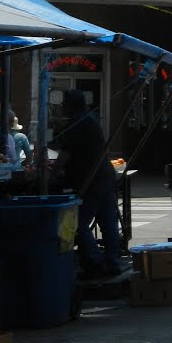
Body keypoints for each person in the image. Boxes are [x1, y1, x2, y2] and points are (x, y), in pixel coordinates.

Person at [56, 89, 120, 278]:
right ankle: (111, 262)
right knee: (108, 221)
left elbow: (65, 155)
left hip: (91, 178)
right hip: (103, 175)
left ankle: (94, 262)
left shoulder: (76, 122)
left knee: (78, 222)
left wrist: (52, 168)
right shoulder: (89, 118)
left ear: (69, 105)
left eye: (63, 104)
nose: (61, 108)